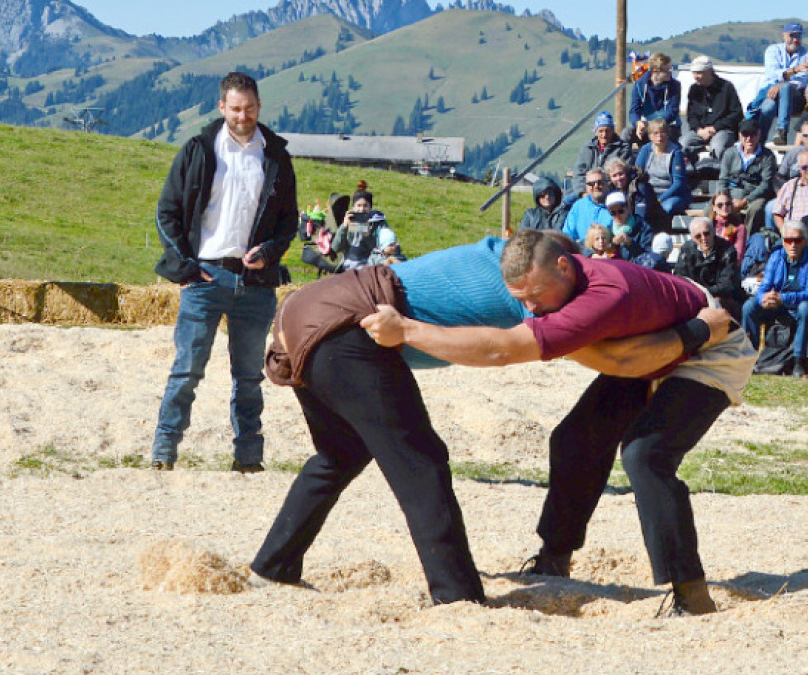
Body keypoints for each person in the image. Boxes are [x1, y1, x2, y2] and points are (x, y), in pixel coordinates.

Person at [252, 236, 732, 607]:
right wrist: (693, 332)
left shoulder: (501, 261)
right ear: (562, 264)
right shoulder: (531, 292)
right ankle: (456, 594)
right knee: (421, 459)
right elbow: (603, 356)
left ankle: (275, 563)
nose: (532, 304)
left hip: (303, 310)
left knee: (341, 453)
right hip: (346, 323)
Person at [149, 72, 298, 472]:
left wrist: (270, 251)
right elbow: (167, 211)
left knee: (249, 377)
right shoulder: (197, 150)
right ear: (222, 107)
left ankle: (248, 458)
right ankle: (164, 451)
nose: (243, 115)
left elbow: (289, 222)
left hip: (255, 283)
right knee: (186, 371)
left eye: (249, 108)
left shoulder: (277, 157)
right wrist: (184, 268)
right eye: (235, 108)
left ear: (259, 106)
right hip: (204, 277)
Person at [742, 224, 808, 375]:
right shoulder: (776, 256)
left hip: (798, 305)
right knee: (749, 306)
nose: (792, 244)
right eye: (788, 240)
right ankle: (749, 357)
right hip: (778, 304)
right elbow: (764, 286)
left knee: (806, 307)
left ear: (805, 241)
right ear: (783, 241)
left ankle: (798, 361)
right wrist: (763, 298)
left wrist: (783, 298)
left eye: (797, 240)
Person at [757, 21, 808, 144]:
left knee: (786, 87)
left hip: (795, 97)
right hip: (772, 93)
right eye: (792, 35)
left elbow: (801, 81)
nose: (795, 39)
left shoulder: (807, 54)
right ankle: (760, 141)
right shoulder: (772, 50)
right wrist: (795, 70)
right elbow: (772, 74)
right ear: (784, 35)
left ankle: (782, 131)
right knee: (767, 108)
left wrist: (781, 83)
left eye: (798, 36)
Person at [676, 218, 745, 316]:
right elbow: (680, 277)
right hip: (695, 296)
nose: (704, 238)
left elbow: (727, 285)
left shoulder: (728, 250)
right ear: (692, 237)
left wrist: (703, 294)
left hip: (722, 297)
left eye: (706, 233)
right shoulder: (687, 250)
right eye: (698, 236)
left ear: (713, 232)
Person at [681, 55, 742, 160]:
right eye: (694, 73)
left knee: (717, 147)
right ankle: (690, 170)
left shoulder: (726, 87)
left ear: (709, 71)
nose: (696, 76)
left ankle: (717, 173)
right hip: (700, 131)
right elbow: (691, 116)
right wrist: (699, 130)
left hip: (723, 130)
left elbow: (736, 113)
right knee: (682, 145)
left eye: (699, 73)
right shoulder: (694, 89)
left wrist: (715, 128)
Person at [718, 126, 777, 229]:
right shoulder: (730, 153)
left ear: (759, 135)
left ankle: (747, 239)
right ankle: (717, 240)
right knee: (711, 208)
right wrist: (725, 198)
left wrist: (745, 201)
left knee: (755, 209)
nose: (749, 139)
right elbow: (723, 179)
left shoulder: (767, 156)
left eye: (753, 135)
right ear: (740, 136)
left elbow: (766, 184)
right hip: (732, 194)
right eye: (745, 135)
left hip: (755, 196)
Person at [566, 114, 629, 210]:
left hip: (608, 189)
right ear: (596, 132)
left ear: (613, 130)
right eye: (601, 131)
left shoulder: (622, 148)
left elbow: (621, 174)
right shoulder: (587, 148)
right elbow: (579, 172)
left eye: (607, 131)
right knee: (565, 202)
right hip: (588, 189)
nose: (604, 135)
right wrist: (583, 193)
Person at [333, 182, 400, 271]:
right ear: (353, 207)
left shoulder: (378, 223)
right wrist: (344, 227)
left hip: (370, 265)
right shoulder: (349, 221)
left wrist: (367, 231)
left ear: (370, 207)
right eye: (358, 206)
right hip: (348, 265)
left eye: (365, 206)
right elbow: (336, 247)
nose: (361, 209)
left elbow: (388, 245)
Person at [625, 53, 681, 142]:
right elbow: (634, 110)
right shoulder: (639, 85)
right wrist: (637, 123)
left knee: (671, 134)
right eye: (667, 70)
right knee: (626, 133)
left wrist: (654, 125)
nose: (670, 73)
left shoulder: (675, 85)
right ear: (655, 71)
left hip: (667, 125)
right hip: (646, 124)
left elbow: (672, 112)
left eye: (671, 69)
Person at [562, 169, 613, 243]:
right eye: (591, 184)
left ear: (608, 184)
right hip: (582, 251)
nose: (596, 186)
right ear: (586, 187)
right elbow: (568, 235)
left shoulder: (616, 205)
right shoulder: (578, 206)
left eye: (600, 182)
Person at [603, 192, 653, 260]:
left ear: (628, 208)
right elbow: (588, 244)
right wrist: (611, 245)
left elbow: (648, 258)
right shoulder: (608, 230)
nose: (617, 216)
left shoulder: (643, 227)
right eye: (613, 213)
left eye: (621, 211)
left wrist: (630, 243)